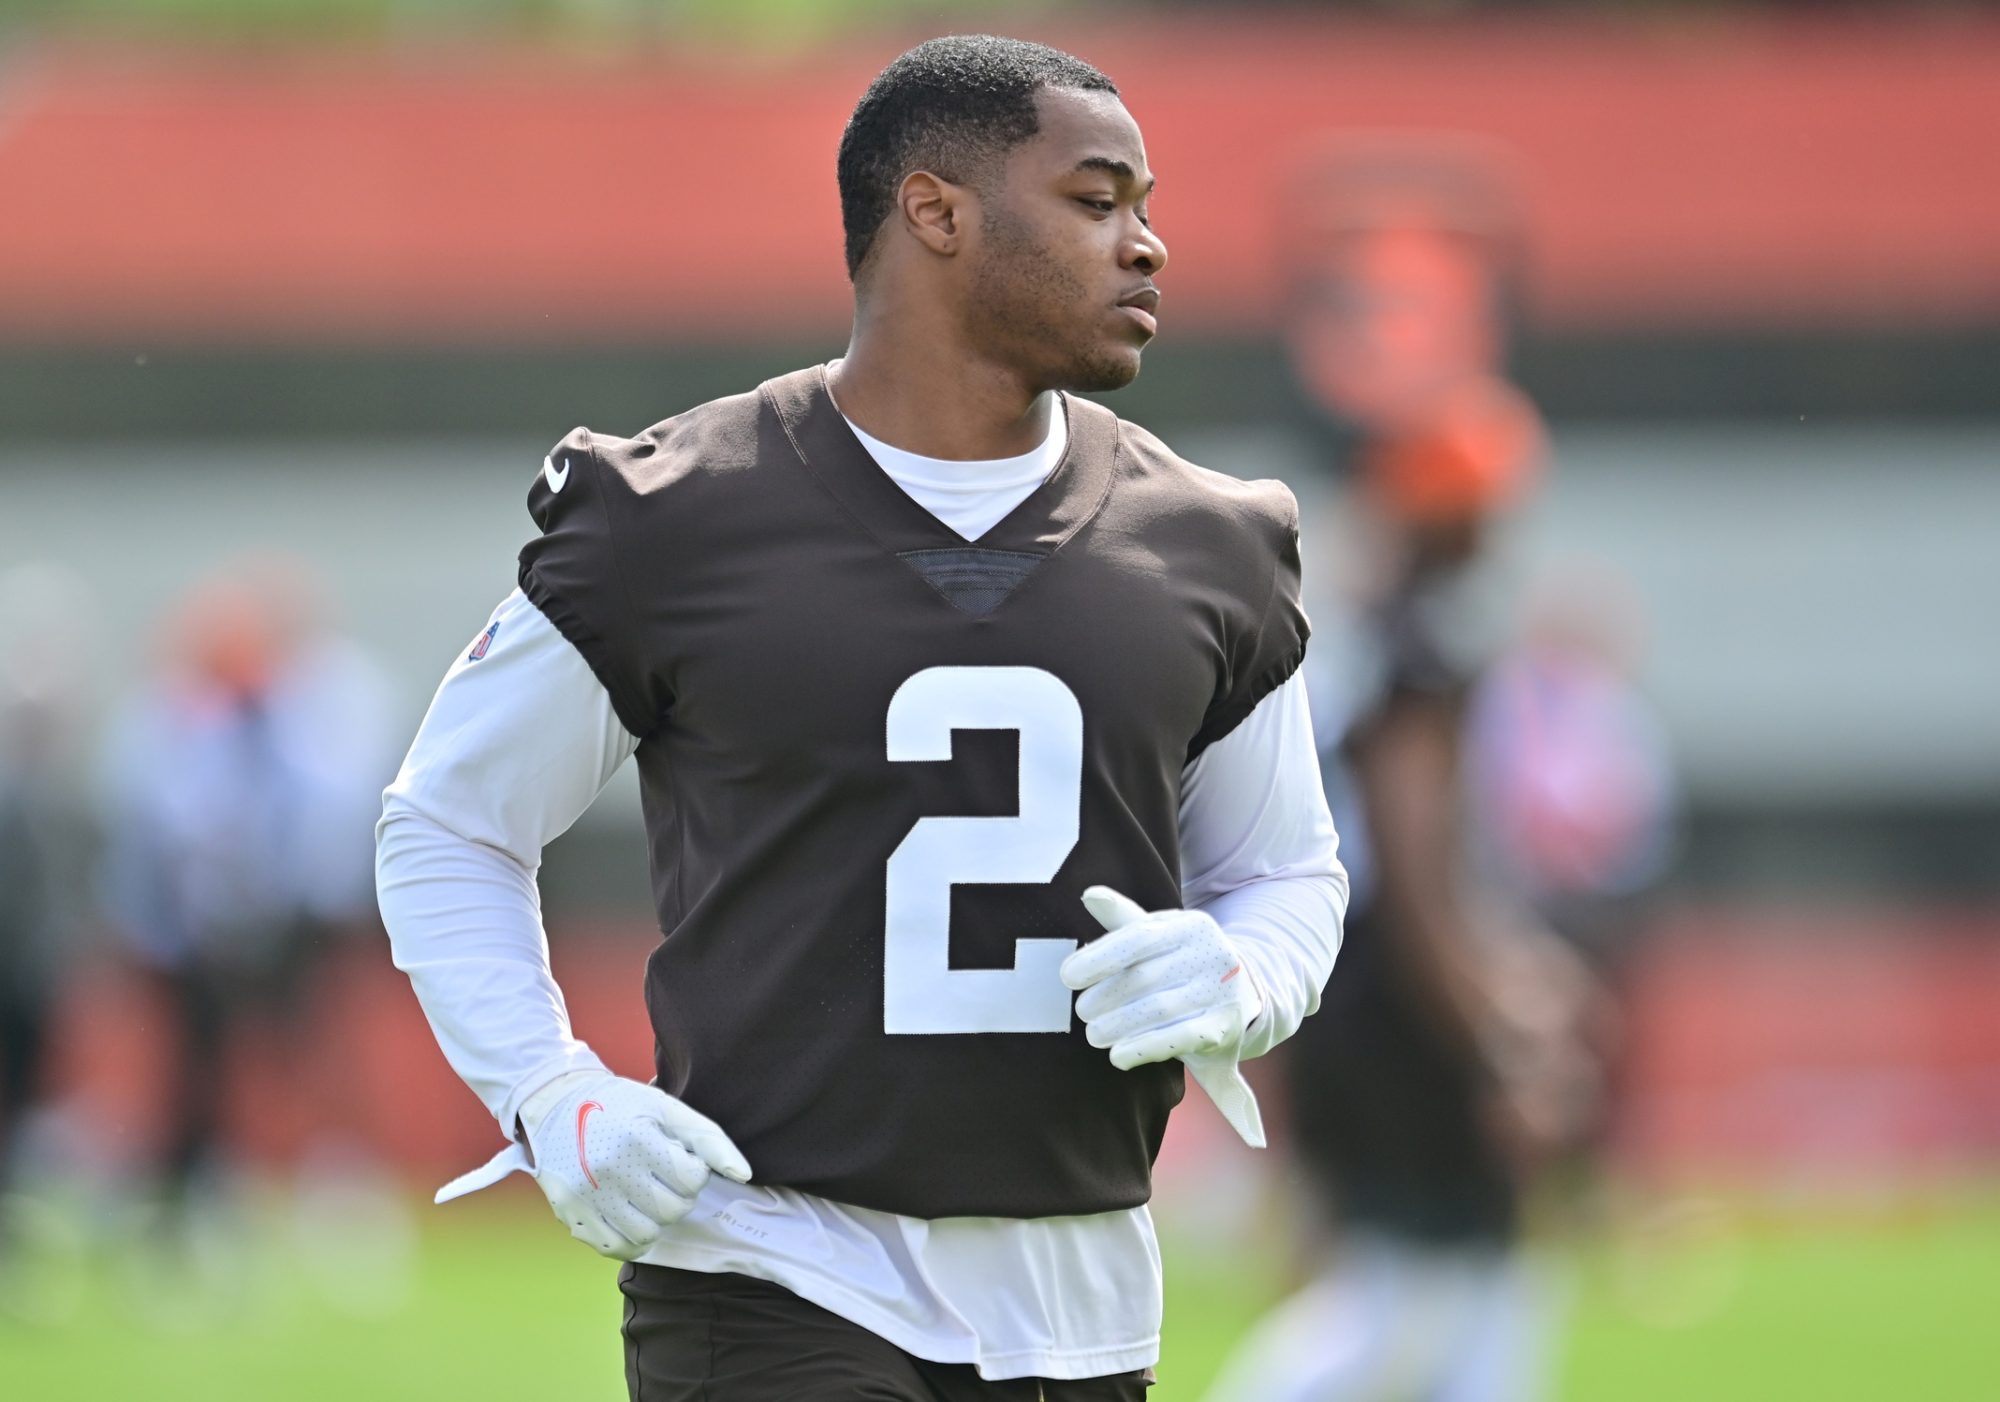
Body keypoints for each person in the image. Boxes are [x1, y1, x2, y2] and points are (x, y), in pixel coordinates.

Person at [376, 34, 1345, 1400]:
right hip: (772, 1261)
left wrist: (1245, 979)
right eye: (1095, 198)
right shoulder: (675, 514)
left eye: (1146, 205)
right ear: (935, 211)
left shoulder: (1215, 541)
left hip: (1083, 1287)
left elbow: (1287, 872)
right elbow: (449, 823)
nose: (1148, 246)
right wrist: (549, 1090)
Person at [1204, 145, 1601, 1402]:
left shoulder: (1374, 633)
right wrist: (1499, 1032)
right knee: (1400, 1294)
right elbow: (1421, 875)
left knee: (1476, 1290)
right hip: (1387, 997)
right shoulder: (1425, 660)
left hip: (1352, 979)